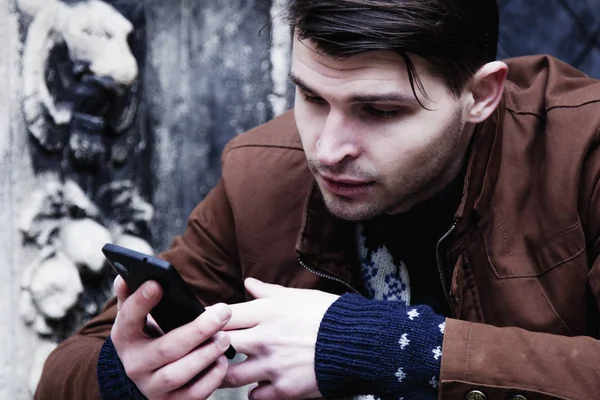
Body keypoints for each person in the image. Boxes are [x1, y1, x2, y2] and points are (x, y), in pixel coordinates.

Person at [35, 0, 600, 399]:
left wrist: (388, 348)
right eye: (310, 96)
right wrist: (125, 375)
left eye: (379, 111)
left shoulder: (584, 152)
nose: (327, 150)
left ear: (480, 95)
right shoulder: (263, 174)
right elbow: (65, 372)